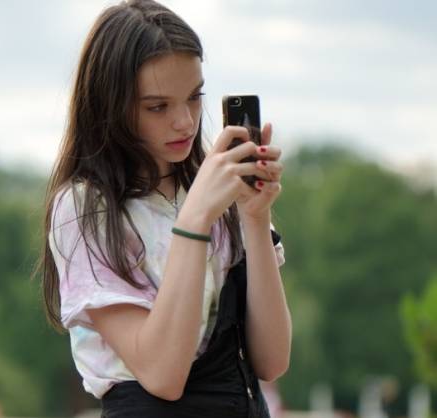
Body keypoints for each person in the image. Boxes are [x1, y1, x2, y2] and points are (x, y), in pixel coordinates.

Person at [37, 1, 292, 417]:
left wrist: (254, 216)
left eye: (194, 97)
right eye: (157, 106)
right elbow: (162, 375)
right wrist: (195, 220)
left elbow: (271, 360)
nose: (185, 122)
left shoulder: (216, 192)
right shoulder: (86, 209)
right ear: (110, 105)